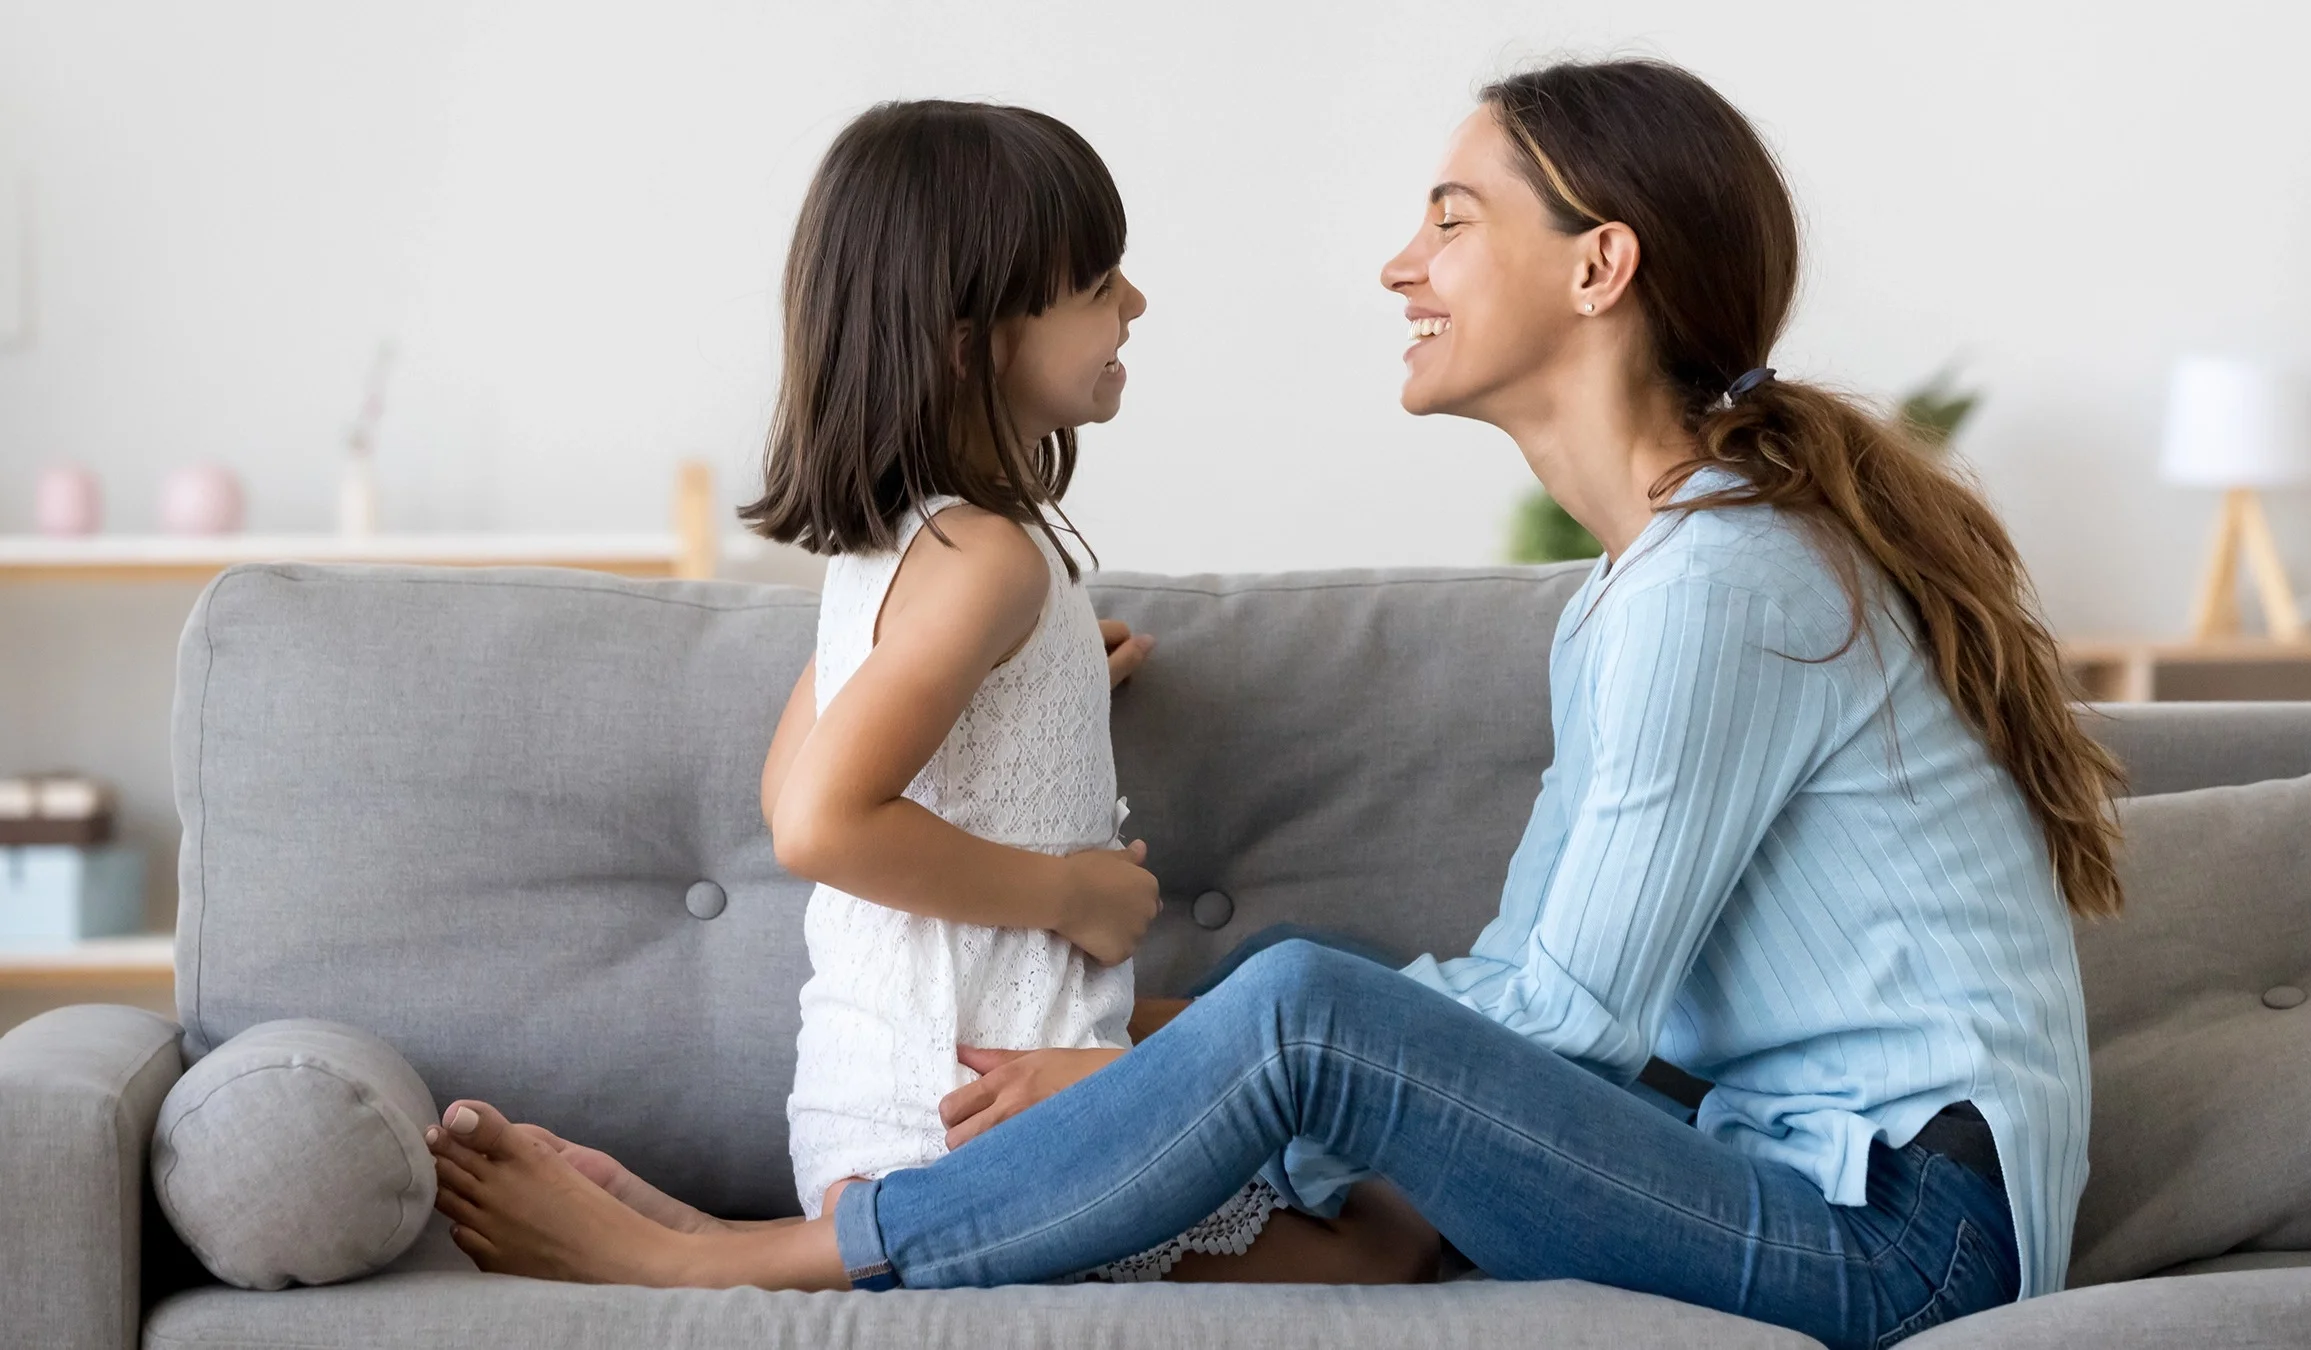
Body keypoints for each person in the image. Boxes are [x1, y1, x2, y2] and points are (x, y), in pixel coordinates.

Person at [428, 59, 2121, 1348]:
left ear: (1599, 267)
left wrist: (1158, 1081)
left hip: (1901, 1242)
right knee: (1296, 1027)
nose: (1401, 264)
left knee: (1303, 1008)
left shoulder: (1721, 585)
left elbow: (1560, 1031)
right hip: (1796, 1173)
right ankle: (819, 1223)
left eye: (1453, 219)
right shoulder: (1648, 585)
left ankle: (736, 1262)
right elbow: (1530, 993)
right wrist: (1160, 1059)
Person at [430, 97, 1437, 1287]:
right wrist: (1073, 893)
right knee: (1387, 1239)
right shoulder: (990, 563)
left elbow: (787, 783)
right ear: (971, 341)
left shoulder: (900, 554)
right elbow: (818, 823)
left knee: (1335, 1113)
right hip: (977, 1130)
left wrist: (1046, 693)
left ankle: (716, 1235)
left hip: (895, 1109)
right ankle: (721, 1262)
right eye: (1099, 281)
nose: (1138, 303)